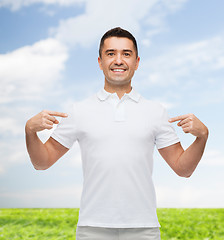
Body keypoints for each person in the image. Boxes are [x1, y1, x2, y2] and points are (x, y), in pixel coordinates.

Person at [25, 27, 209, 240]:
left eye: (126, 54)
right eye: (111, 53)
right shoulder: (80, 110)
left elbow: (182, 168)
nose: (118, 60)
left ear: (137, 62)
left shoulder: (156, 111)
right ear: (100, 62)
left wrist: (201, 136)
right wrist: (30, 131)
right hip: (92, 228)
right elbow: (42, 162)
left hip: (144, 229)